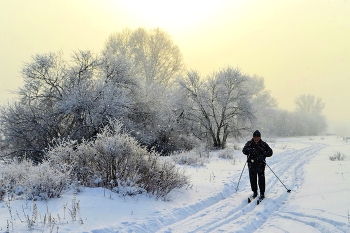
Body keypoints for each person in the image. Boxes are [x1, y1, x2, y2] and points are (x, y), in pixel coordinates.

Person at [242, 130, 273, 199]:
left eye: (257, 137)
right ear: (253, 137)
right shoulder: (249, 143)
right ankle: (255, 192)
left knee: (261, 178)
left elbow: (270, 152)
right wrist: (248, 150)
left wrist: (264, 155)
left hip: (261, 164)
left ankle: (262, 193)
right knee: (252, 179)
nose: (256, 138)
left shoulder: (263, 144)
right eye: (255, 137)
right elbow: (244, 150)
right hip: (251, 164)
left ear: (260, 137)